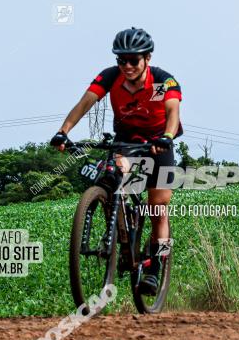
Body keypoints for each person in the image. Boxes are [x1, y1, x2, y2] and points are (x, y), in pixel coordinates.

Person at [50, 27, 182, 295]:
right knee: (115, 177)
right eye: (121, 60)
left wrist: (167, 136)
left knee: (158, 208)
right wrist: (64, 131)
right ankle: (121, 233)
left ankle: (157, 265)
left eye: (134, 60)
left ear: (148, 58)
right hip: (127, 140)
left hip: (159, 144)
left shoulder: (161, 81)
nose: (127, 66)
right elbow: (85, 103)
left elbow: (172, 111)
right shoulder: (111, 77)